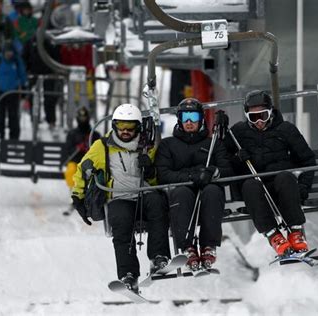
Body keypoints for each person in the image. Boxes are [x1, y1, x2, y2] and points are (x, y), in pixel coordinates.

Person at [71, 103, 171, 293]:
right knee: (121, 220)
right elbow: (82, 170)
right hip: (119, 197)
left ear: (138, 127)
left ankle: (159, 258)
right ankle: (128, 274)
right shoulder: (102, 147)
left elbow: (157, 178)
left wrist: (149, 169)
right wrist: (78, 197)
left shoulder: (147, 145)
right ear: (114, 126)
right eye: (120, 127)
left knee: (158, 203)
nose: (125, 131)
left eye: (130, 127)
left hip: (144, 193)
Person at [224, 90, 316, 257]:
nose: (259, 121)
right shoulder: (238, 132)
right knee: (250, 184)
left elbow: (308, 160)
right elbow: (222, 160)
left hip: (281, 189)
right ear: (247, 116)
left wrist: (302, 186)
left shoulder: (286, 130)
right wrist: (237, 158)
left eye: (263, 115)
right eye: (253, 117)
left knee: (285, 177)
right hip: (255, 192)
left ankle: (295, 233)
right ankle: (274, 236)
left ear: (271, 112)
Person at [154, 98, 233, 271]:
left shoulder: (213, 143)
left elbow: (227, 170)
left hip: (208, 189)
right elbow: (163, 174)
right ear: (179, 120)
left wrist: (212, 172)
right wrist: (191, 176)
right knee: (182, 193)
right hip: (182, 190)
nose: (189, 122)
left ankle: (208, 245)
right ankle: (187, 246)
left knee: (213, 191)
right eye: (185, 117)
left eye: (194, 117)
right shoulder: (168, 145)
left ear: (201, 119)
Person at [0, 41, 27, 140]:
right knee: (0, 116)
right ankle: (0, 136)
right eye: (7, 52)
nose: (9, 54)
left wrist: (24, 86)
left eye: (11, 52)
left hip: (13, 92)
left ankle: (14, 138)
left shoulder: (16, 61)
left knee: (14, 116)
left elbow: (22, 74)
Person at [64, 107, 101, 190]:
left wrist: (89, 149)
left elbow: (100, 150)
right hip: (75, 161)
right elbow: (68, 149)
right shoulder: (72, 134)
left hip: (91, 162)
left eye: (85, 117)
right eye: (81, 117)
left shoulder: (95, 134)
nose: (83, 119)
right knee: (71, 170)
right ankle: (74, 191)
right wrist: (77, 148)